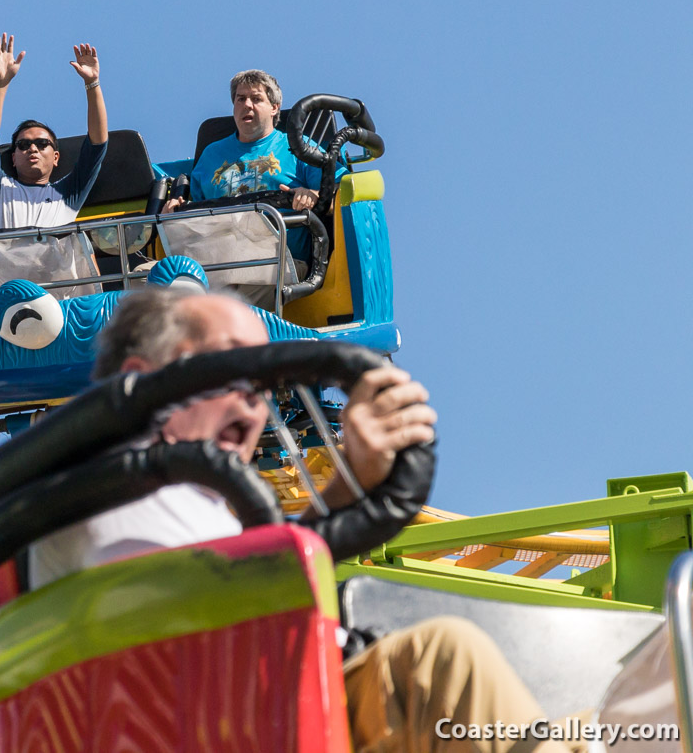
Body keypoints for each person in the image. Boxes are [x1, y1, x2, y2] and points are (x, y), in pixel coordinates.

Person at [30, 288, 581, 753]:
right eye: (230, 376)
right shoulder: (103, 490)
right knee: (441, 658)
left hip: (268, 709)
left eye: (261, 392)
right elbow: (204, 610)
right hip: (223, 721)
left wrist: (356, 476)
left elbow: (255, 572)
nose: (252, 410)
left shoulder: (197, 511)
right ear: (143, 379)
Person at [0, 34, 108, 329]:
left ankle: (95, 330)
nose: (32, 148)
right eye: (22, 145)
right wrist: (1, 84)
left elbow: (97, 145)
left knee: (82, 244)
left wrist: (92, 84)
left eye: (42, 143)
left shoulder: (67, 194)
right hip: (4, 305)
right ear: (13, 158)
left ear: (56, 157)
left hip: (59, 308)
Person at [163, 70, 326, 289]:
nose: (247, 105)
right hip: (214, 263)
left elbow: (335, 190)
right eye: (241, 99)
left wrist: (312, 194)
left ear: (274, 108)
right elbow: (194, 215)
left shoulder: (298, 147)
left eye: (256, 99)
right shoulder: (211, 155)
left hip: (277, 264)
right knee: (143, 276)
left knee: (229, 295)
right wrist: (175, 210)